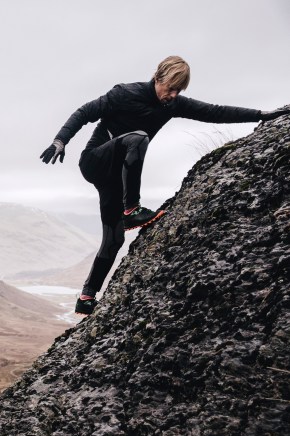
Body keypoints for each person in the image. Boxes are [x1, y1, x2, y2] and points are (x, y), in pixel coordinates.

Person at [40, 56, 289, 316]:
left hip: (115, 178)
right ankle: (132, 209)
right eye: (170, 87)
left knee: (114, 239)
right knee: (138, 138)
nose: (172, 95)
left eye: (178, 90)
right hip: (95, 161)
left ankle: (86, 297)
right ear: (157, 77)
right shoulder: (124, 93)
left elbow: (214, 112)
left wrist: (261, 115)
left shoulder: (172, 105)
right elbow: (84, 113)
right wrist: (60, 141)